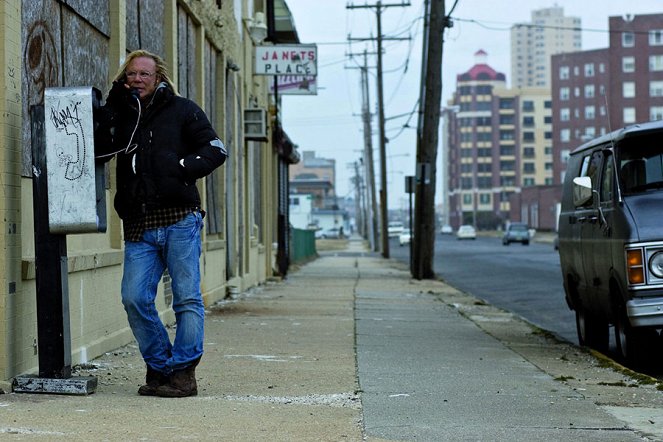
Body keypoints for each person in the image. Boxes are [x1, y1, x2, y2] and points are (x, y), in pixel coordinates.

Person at [94, 50, 227, 397]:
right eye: (131, 74)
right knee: (134, 297)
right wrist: (111, 105)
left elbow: (216, 149)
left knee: (186, 299)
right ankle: (160, 366)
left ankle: (183, 374)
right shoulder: (123, 113)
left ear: (158, 78)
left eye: (144, 74)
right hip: (139, 222)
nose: (137, 79)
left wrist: (181, 168)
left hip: (179, 219)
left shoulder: (183, 109)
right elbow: (97, 150)